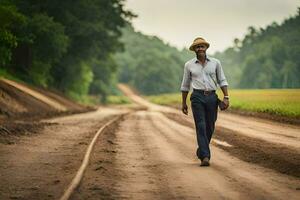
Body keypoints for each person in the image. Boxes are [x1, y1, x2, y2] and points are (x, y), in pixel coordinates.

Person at [180, 37, 229, 166]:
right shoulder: (189, 65)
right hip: (197, 97)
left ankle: (201, 150)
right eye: (197, 47)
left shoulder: (216, 63)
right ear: (194, 50)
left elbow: (222, 80)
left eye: (202, 46)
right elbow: (185, 85)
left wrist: (226, 97)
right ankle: (205, 157)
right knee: (200, 125)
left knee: (210, 126)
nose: (200, 48)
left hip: (212, 97)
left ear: (206, 48)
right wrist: (184, 103)